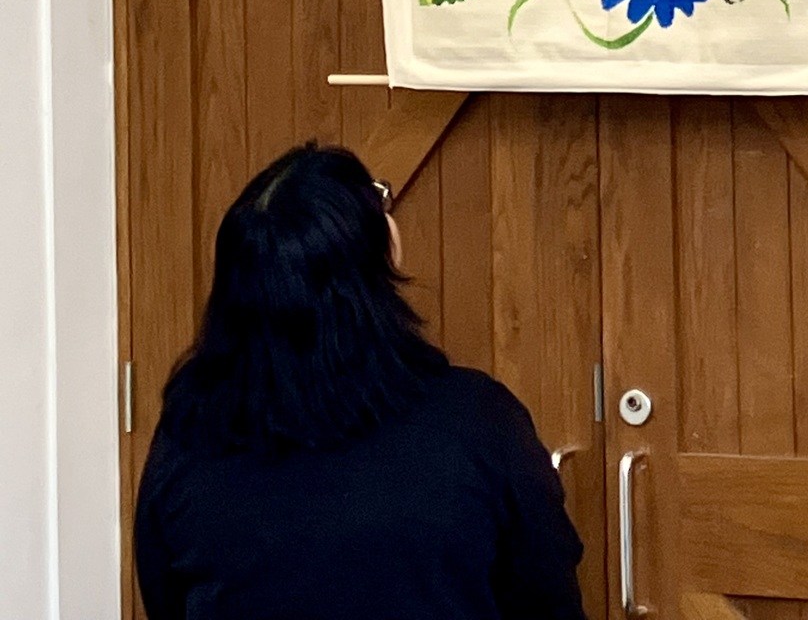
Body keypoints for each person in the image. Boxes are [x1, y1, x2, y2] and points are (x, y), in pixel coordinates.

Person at [135, 143, 586, 619]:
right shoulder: (479, 421)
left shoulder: (190, 433)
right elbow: (548, 600)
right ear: (372, 268)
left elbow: (166, 598)